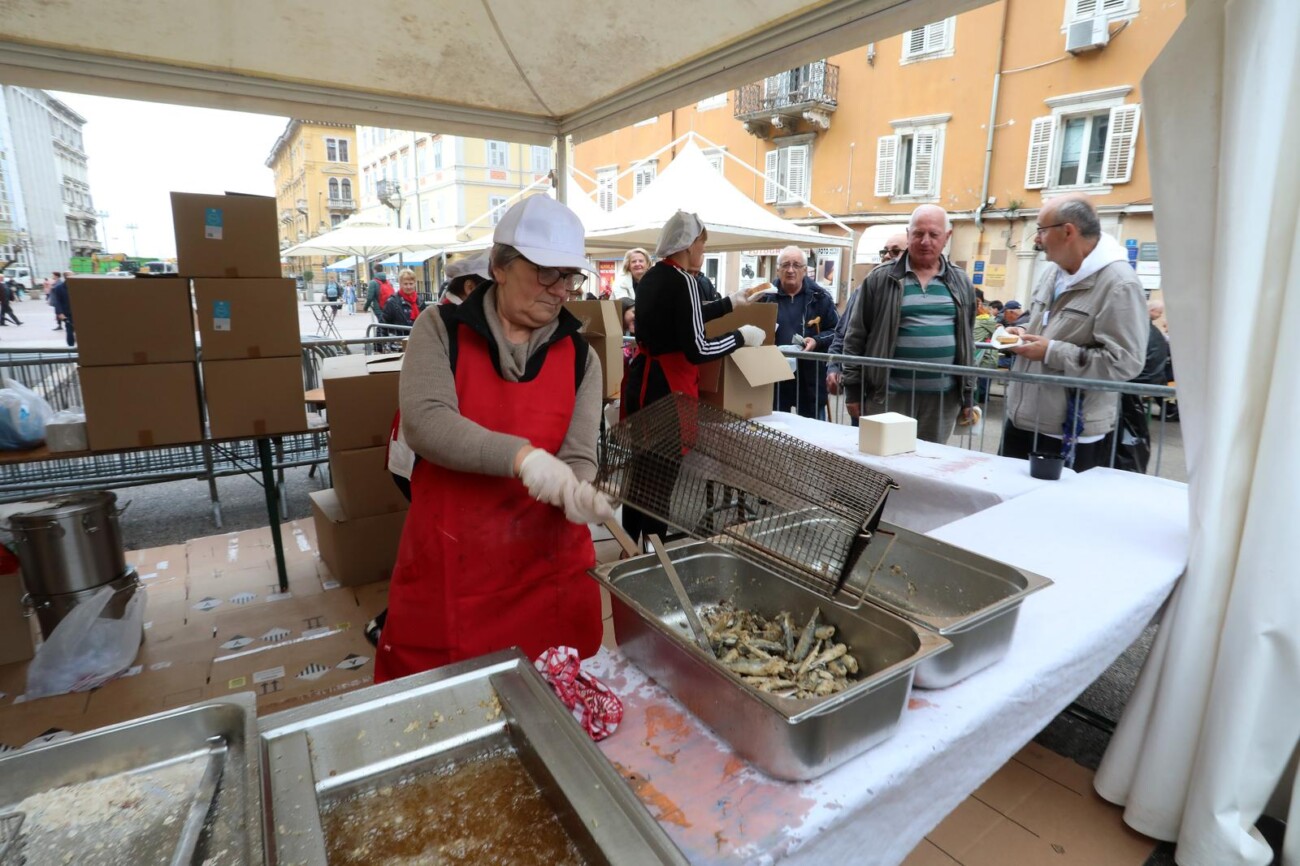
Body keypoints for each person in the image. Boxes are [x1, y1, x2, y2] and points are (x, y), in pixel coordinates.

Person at [373, 195, 614, 681]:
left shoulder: (582, 358)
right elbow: (426, 420)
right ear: (499, 266)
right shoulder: (438, 330)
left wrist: (578, 490)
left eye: (570, 276)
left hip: (547, 576)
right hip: (454, 574)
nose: (561, 290)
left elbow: (580, 453)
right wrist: (522, 458)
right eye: (548, 273)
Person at [620, 210, 764, 548]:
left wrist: (732, 302)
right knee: (661, 479)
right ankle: (654, 556)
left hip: (643, 381)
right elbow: (697, 346)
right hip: (667, 390)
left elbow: (686, 315)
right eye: (702, 243)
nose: (703, 250)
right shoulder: (683, 280)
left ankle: (630, 545)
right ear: (688, 244)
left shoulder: (655, 276)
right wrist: (741, 336)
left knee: (640, 472)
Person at [1001, 195, 1148, 471]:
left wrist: (1051, 352)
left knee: (1054, 514)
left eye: (1042, 230)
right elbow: (1043, 320)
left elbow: (1125, 362)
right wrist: (1021, 330)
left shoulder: (1119, 284)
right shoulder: (1052, 273)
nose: (1037, 240)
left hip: (1070, 434)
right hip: (1023, 419)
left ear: (1068, 231)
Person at [842, 205, 977, 442]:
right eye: (918, 234)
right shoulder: (880, 278)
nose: (925, 241)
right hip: (889, 396)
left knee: (929, 467)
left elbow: (967, 341)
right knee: (887, 467)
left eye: (933, 234)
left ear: (947, 237)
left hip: (942, 400)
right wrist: (852, 391)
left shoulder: (960, 281)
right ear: (908, 234)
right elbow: (856, 336)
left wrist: (968, 394)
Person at [826, 232, 907, 423]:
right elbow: (843, 334)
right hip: (869, 392)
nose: (887, 256)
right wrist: (834, 366)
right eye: (884, 252)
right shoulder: (863, 289)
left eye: (895, 252)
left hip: (907, 396)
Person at [754, 246, 838, 419]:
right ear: (778, 269)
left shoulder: (820, 297)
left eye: (796, 265)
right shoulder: (764, 297)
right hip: (774, 376)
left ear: (805, 270)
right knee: (775, 431)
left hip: (809, 376)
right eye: (785, 265)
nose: (790, 270)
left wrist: (816, 340)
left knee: (812, 433)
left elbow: (836, 331)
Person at [1113, 299, 1173, 474]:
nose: (1160, 316)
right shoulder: (1152, 331)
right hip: (1151, 380)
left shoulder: (1139, 330)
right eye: (1158, 312)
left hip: (1138, 382)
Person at [381, 268, 425, 333]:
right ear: (400, 284)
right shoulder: (392, 302)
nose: (408, 287)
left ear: (415, 284)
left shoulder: (420, 301)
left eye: (411, 283)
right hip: (399, 340)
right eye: (405, 284)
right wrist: (380, 342)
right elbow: (383, 324)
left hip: (418, 338)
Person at [50, 272, 74, 347]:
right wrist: (60, 313)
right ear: (66, 277)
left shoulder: (78, 286)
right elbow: (57, 302)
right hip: (68, 313)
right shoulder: (59, 288)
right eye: (71, 276)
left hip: (79, 313)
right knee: (69, 330)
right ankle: (71, 347)